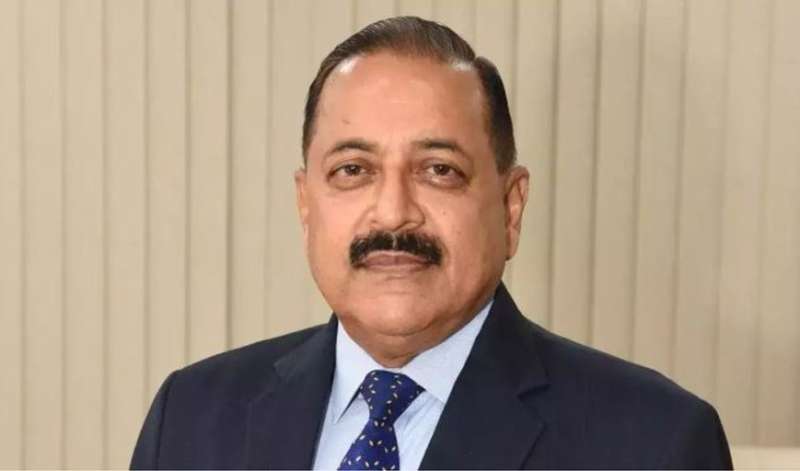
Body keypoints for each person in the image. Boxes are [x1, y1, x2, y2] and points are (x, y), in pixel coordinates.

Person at [131, 16, 732, 470]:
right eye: (352, 170)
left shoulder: (655, 443)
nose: (394, 212)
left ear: (510, 206)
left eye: (439, 170)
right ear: (306, 205)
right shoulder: (191, 418)